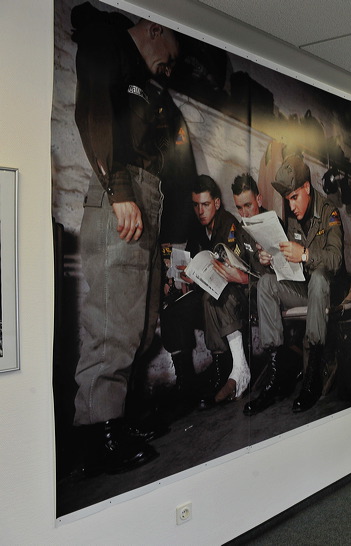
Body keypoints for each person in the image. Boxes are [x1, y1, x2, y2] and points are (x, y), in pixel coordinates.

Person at [71, 3, 191, 474]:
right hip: (122, 195)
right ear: (155, 27)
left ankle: (118, 417)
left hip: (147, 198)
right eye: (172, 53)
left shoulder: (149, 86)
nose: (171, 65)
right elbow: (95, 112)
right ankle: (96, 435)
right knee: (112, 323)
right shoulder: (107, 40)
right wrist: (120, 191)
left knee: (141, 324)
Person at [244, 155, 345, 416]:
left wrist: (305, 254)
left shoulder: (329, 213)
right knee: (266, 283)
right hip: (303, 289)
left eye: (295, 197)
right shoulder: (291, 218)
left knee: (320, 277)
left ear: (307, 189)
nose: (291, 205)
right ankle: (277, 372)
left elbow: (335, 259)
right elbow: (288, 266)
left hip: (325, 292)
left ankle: (312, 373)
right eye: (287, 199)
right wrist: (268, 258)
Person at [161, 175, 261, 410]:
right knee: (172, 310)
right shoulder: (197, 230)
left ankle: (222, 368)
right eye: (195, 205)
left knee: (210, 299)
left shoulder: (229, 225)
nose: (200, 211)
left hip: (232, 292)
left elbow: (237, 268)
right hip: (206, 290)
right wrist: (184, 275)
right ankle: (185, 381)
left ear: (216, 203)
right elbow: (190, 263)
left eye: (205, 205)